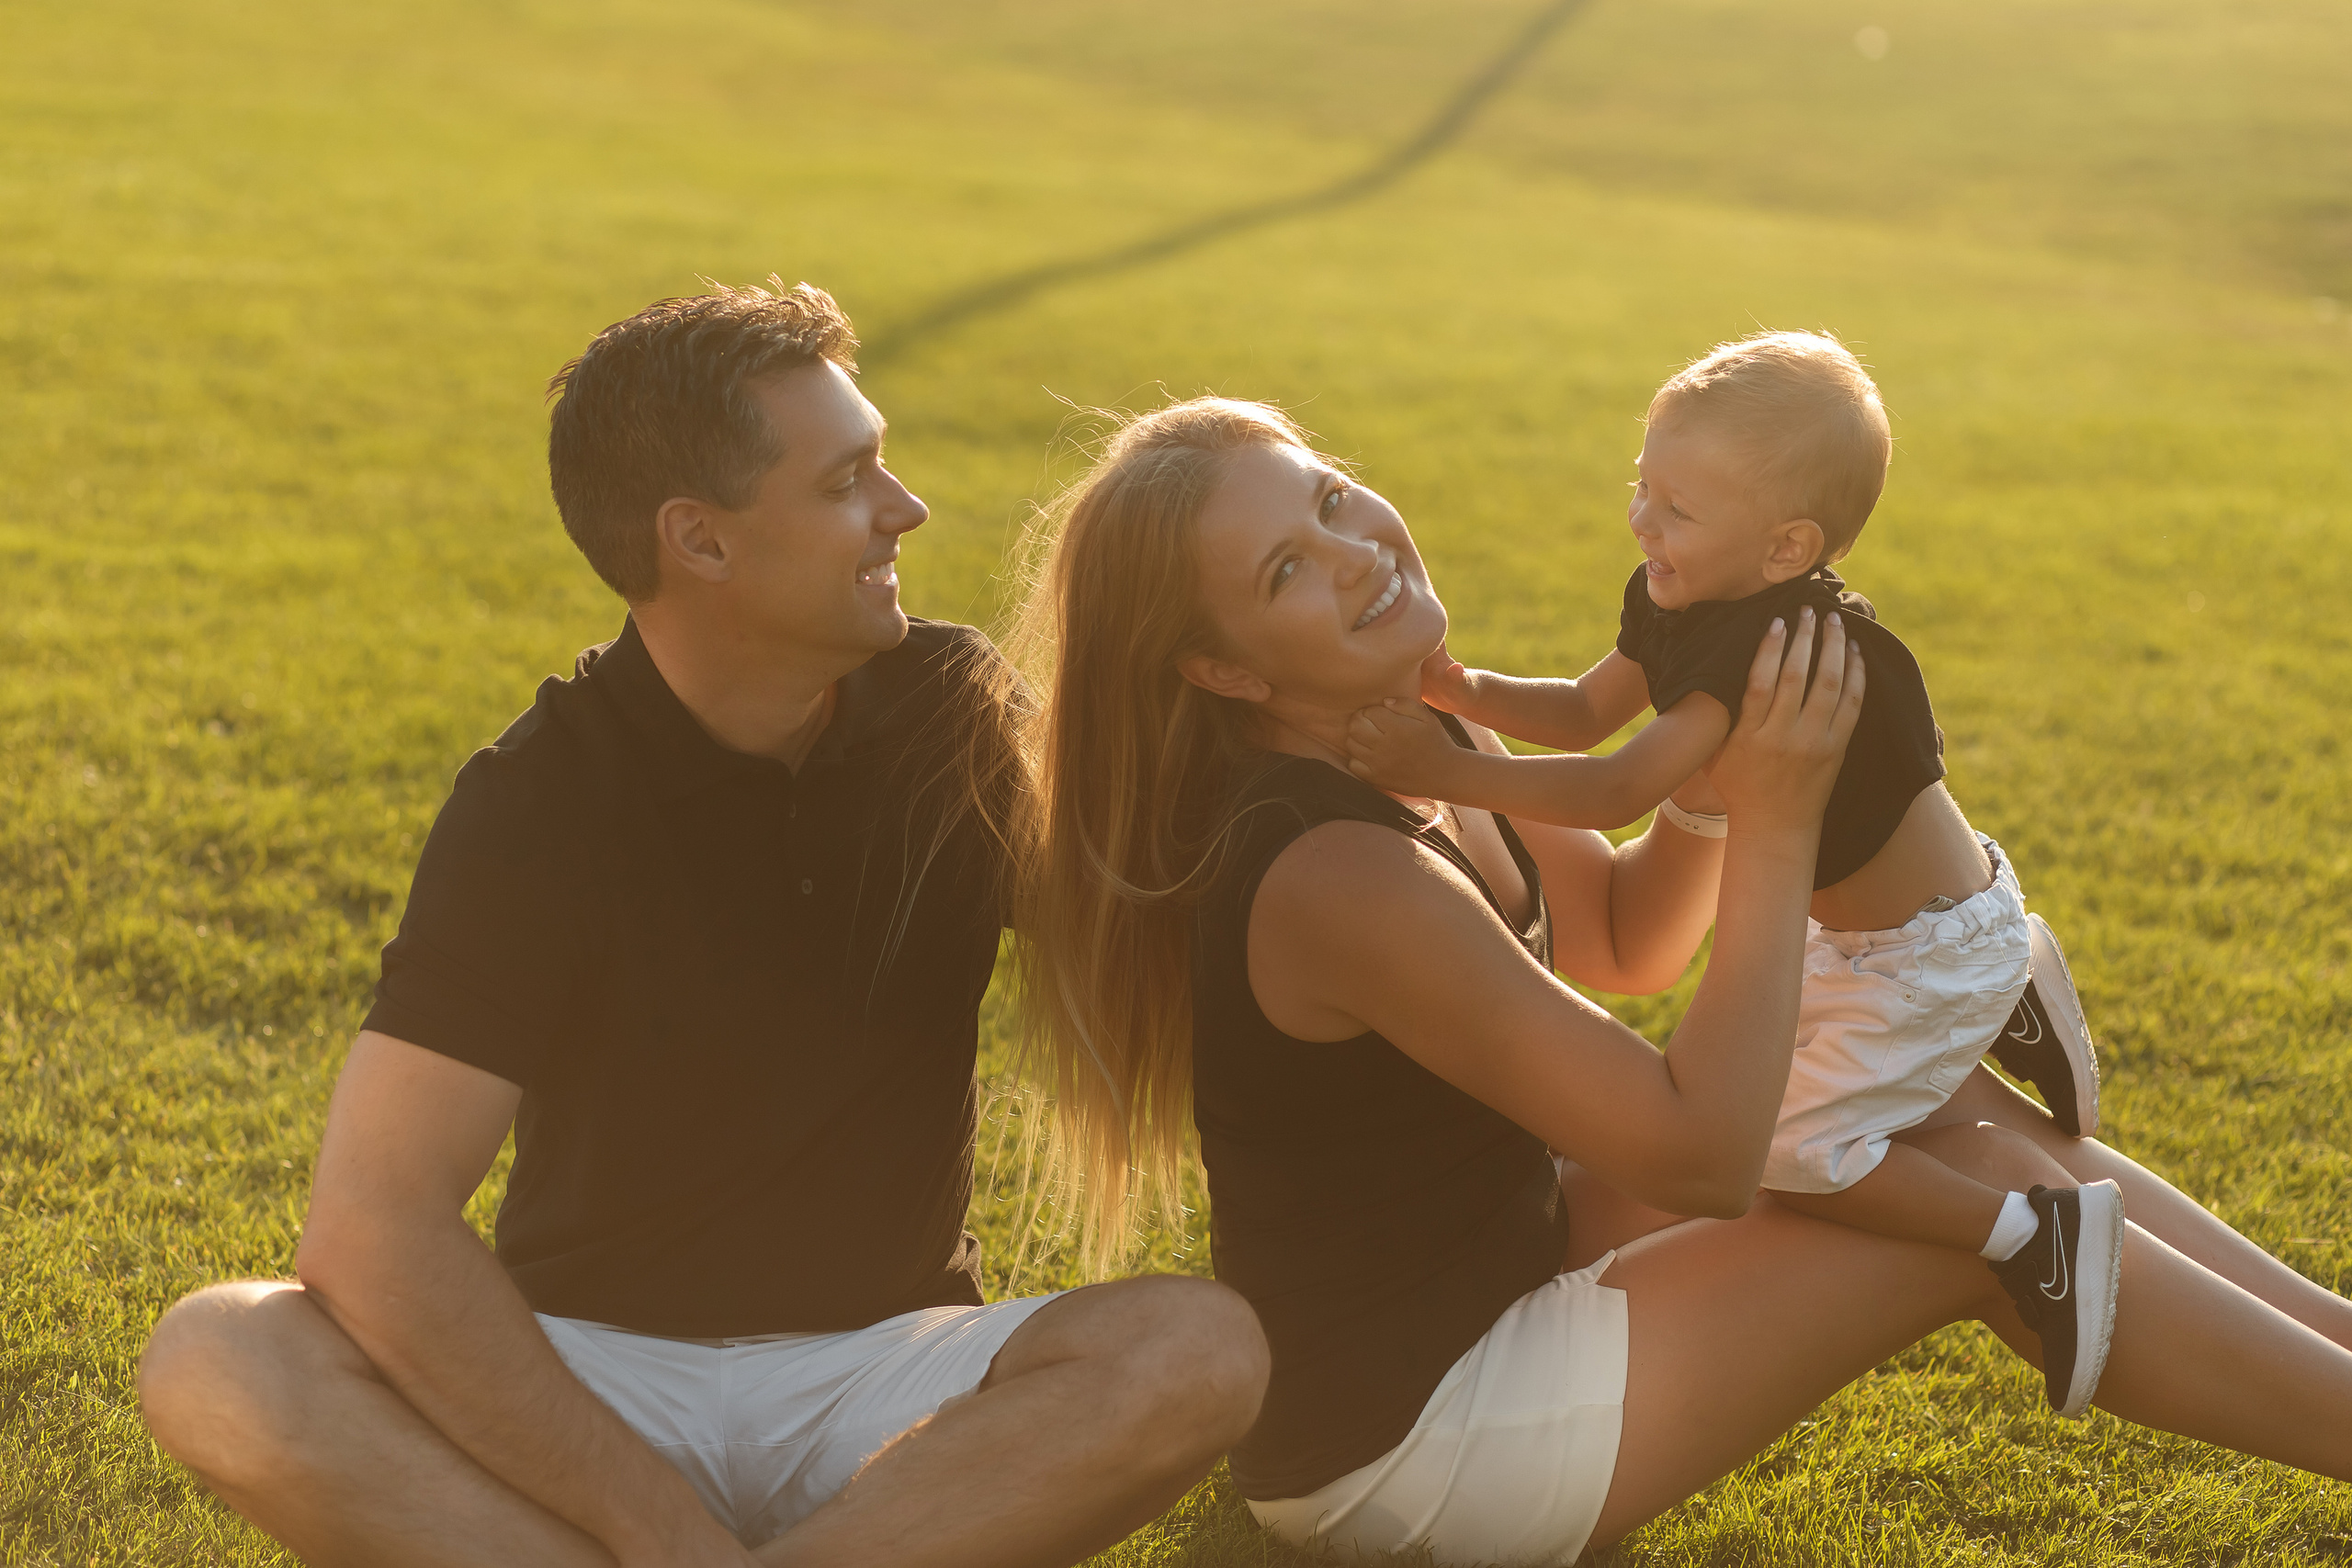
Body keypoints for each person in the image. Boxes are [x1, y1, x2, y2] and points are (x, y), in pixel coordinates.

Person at [1013, 395, 2352, 1567]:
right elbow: (1707, 1151)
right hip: (1410, 1438)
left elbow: (1624, 934)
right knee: (1986, 1222)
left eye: (1332, 494)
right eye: (1290, 566)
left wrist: (1710, 791)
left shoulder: (1427, 727)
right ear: (1227, 667)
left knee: (1948, 1107)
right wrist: (1777, 821)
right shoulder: (1330, 873)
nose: (1362, 546)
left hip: (1509, 1256)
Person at [134, 282, 1268, 1568]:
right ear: (702, 540)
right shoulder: (538, 799)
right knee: (220, 1354)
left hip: (886, 1380)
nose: (906, 509)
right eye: (850, 481)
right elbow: (374, 1220)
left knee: (1197, 1346)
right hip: (594, 1376)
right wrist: (658, 1523)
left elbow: (1162, 933)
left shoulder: (952, 716)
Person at [1339, 331, 2118, 1415]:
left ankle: (2033, 1231)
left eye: (1677, 508)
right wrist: (1465, 693)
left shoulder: (1761, 647)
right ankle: (2010, 979)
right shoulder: (1679, 594)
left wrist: (1439, 767)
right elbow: (1581, 712)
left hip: (1915, 953)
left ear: (1784, 548)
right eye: (1641, 487)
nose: (1640, 521)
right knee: (1792, 1074)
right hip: (1885, 925)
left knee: (1791, 1147)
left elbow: (1619, 790)